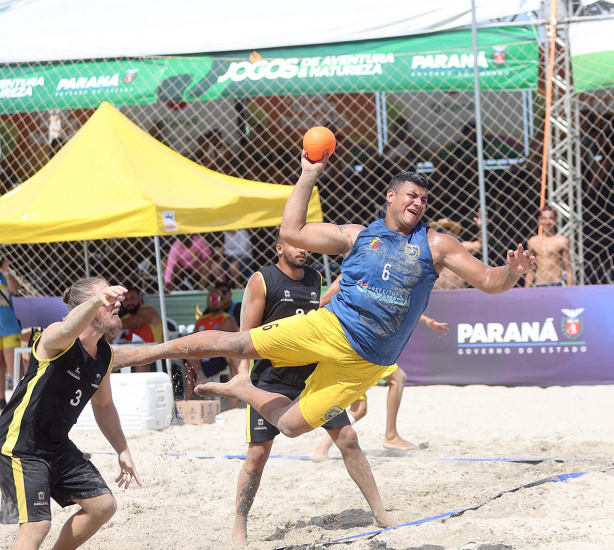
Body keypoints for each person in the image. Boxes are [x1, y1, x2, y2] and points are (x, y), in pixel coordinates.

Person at [117, 155, 534, 445]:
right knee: (239, 342)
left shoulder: (437, 244)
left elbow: (490, 282)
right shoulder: (357, 235)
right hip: (331, 326)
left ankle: (241, 388)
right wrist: (308, 174)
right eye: (410, 194)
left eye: (423, 198)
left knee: (293, 427)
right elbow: (292, 231)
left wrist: (513, 271)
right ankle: (138, 354)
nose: (418, 202)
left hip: (369, 359)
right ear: (390, 197)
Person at [231, 233, 394, 546]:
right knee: (257, 454)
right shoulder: (262, 280)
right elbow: (244, 337)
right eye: (295, 244)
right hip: (270, 380)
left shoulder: (316, 279)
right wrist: (243, 378)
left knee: (348, 438)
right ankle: (240, 525)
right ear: (280, 248)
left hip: (313, 379)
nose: (302, 249)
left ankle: (379, 512)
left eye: (305, 244)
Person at [0, 278, 141, 550]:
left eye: (113, 299)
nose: (116, 304)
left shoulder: (104, 354)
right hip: (22, 444)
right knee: (37, 525)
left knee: (102, 506)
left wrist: (122, 449)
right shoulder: (57, 336)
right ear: (84, 306)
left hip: (56, 445)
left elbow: (104, 405)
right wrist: (95, 301)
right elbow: (67, 327)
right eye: (106, 299)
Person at [309, 275, 449, 461]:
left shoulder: (374, 275)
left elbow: (396, 305)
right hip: (358, 344)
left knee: (359, 408)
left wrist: (426, 321)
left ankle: (321, 449)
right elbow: (321, 303)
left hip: (357, 344)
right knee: (398, 378)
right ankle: (390, 436)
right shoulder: (352, 275)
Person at [182, 286, 240, 402]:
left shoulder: (227, 319)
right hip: (203, 356)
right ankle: (188, 401)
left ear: (222, 300)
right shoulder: (201, 319)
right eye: (210, 298)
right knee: (187, 355)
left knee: (226, 357)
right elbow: (192, 340)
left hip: (219, 357)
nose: (212, 301)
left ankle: (202, 377)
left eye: (216, 298)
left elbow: (220, 342)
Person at [117, 286, 163, 373]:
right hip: (132, 356)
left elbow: (133, 322)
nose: (129, 302)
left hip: (156, 355)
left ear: (140, 299)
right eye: (126, 300)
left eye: (132, 298)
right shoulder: (124, 319)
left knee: (141, 359)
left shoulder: (148, 311)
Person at [525, 206, 573, 287]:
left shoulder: (562, 241)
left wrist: (571, 289)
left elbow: (568, 269)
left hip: (557, 285)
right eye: (544, 218)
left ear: (555, 220)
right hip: (538, 285)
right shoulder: (533, 242)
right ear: (539, 220)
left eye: (551, 218)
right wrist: (525, 291)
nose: (547, 222)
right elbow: (530, 270)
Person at [428, 216, 482, 290]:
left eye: (448, 229)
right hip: (434, 295)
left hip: (458, 294)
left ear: (453, 233)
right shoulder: (427, 250)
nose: (444, 232)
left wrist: (482, 227)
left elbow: (480, 244)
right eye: (440, 230)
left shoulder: (461, 248)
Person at [0, 256, 20, 410]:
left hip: (9, 326)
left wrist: (6, 271)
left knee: (13, 364)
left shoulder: (5, 276)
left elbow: (14, 289)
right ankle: (1, 400)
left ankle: (19, 399)